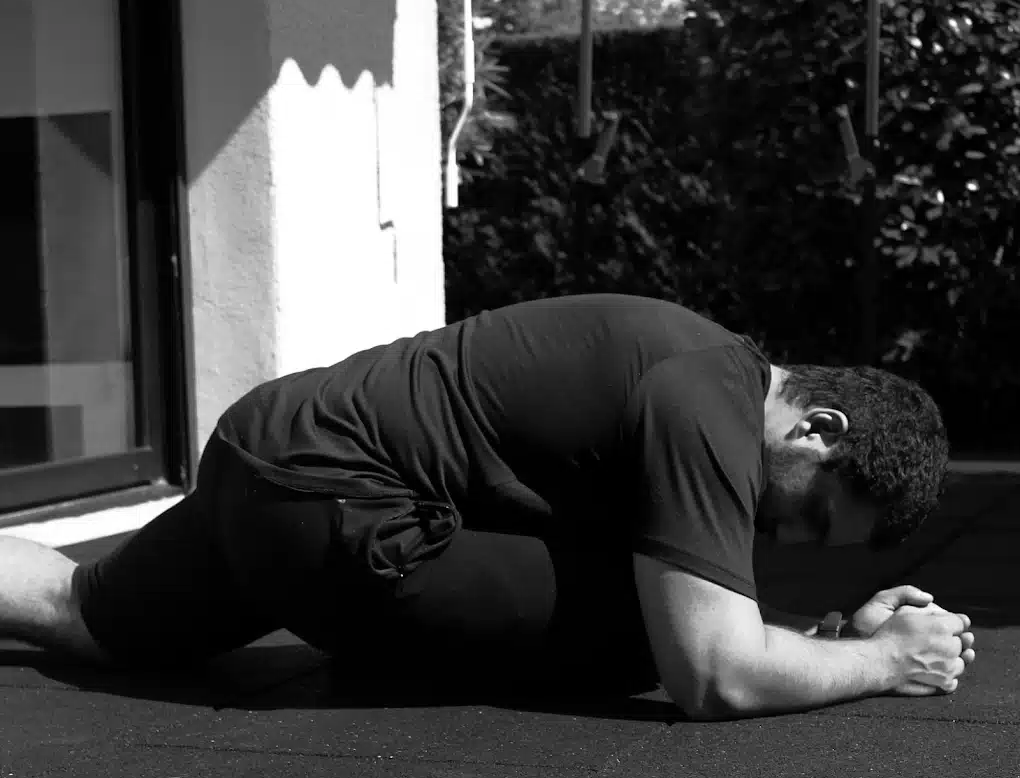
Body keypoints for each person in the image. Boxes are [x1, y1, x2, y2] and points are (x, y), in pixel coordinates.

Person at [0, 294, 975, 718]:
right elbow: (715, 675)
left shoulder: (690, 368)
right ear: (819, 429)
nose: (780, 535)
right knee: (644, 638)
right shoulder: (706, 402)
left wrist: (830, 637)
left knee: (86, 613)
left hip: (265, 457)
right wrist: (880, 661)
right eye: (805, 516)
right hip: (335, 506)